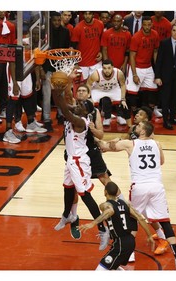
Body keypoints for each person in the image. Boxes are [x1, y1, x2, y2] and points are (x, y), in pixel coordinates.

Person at [96, 120, 176, 270]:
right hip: (157, 186)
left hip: (140, 186)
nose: (135, 126)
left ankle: (130, 253)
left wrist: (94, 138)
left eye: (138, 126)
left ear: (144, 131)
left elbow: (106, 147)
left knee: (133, 218)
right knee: (165, 222)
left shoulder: (129, 144)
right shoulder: (157, 144)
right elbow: (161, 161)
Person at [51, 73, 110, 251]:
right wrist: (58, 90)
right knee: (67, 188)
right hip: (70, 159)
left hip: (79, 161)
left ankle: (103, 229)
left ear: (86, 113)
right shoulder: (76, 112)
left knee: (85, 195)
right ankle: (67, 215)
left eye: (82, 105)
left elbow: (63, 108)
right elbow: (63, 105)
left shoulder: (80, 121)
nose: (79, 105)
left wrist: (57, 90)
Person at [78, 181, 155, 270]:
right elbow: (140, 218)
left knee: (100, 270)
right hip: (130, 241)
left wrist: (92, 223)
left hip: (121, 244)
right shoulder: (126, 203)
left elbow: (110, 211)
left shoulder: (106, 205)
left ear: (105, 192)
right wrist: (149, 235)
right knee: (113, 267)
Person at [126, 16, 161, 118]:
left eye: (149, 24)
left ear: (152, 24)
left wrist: (157, 69)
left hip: (148, 66)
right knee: (132, 92)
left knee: (153, 90)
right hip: (136, 67)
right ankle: (134, 112)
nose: (147, 27)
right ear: (142, 25)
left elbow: (155, 51)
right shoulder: (136, 37)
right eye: (145, 24)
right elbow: (132, 56)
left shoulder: (155, 34)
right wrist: (134, 74)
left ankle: (151, 110)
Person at [41, 11, 71, 131]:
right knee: (47, 95)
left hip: (60, 67)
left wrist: (65, 67)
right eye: (55, 20)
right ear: (50, 21)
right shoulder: (45, 32)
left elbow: (66, 50)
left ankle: (61, 114)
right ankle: (47, 119)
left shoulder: (65, 31)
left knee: (61, 94)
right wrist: (41, 70)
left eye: (59, 20)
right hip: (47, 67)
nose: (57, 22)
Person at [155, 23, 176, 130]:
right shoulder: (164, 43)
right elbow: (159, 60)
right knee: (166, 98)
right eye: (174, 30)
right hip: (166, 74)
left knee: (175, 98)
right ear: (171, 31)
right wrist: (157, 76)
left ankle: (173, 118)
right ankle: (165, 120)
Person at [87, 59, 131, 127]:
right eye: (104, 68)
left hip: (113, 89)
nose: (107, 70)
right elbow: (88, 84)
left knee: (121, 102)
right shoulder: (96, 74)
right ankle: (106, 118)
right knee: (91, 103)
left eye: (109, 68)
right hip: (99, 90)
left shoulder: (119, 73)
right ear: (102, 68)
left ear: (113, 67)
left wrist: (123, 99)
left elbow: (122, 85)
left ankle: (120, 117)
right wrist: (89, 97)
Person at [71, 11, 104, 82]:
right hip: (82, 62)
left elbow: (102, 41)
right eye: (85, 14)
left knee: (96, 84)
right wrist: (75, 63)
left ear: (93, 15)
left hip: (96, 61)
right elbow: (73, 47)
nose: (87, 16)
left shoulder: (100, 24)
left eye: (89, 14)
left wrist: (101, 52)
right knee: (82, 86)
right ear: (83, 15)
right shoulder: (78, 28)